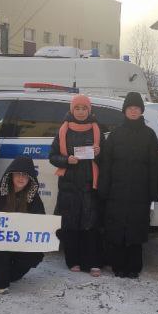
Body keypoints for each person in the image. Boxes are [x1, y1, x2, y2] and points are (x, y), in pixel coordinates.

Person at [98, 92, 158, 278]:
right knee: (117, 228)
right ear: (124, 110)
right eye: (130, 108)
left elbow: (155, 165)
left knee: (137, 228)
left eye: (136, 108)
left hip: (140, 192)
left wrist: (155, 190)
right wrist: (104, 188)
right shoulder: (116, 134)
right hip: (117, 191)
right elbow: (106, 164)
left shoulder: (149, 135)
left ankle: (134, 266)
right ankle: (118, 265)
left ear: (141, 111)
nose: (133, 111)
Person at [50, 94, 105, 277]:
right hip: (69, 185)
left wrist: (99, 152)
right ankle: (72, 260)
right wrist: (66, 160)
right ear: (72, 110)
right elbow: (52, 156)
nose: (81, 112)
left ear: (89, 110)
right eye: (77, 108)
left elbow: (106, 158)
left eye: (84, 108)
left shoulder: (97, 129)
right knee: (70, 224)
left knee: (90, 225)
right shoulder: (63, 130)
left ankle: (91, 262)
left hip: (89, 185)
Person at [0, 155, 46, 294]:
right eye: (18, 174)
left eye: (25, 175)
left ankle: (9, 274)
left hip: (20, 241)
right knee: (1, 251)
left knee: (34, 255)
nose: (21, 178)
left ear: (30, 178)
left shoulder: (33, 197)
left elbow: (41, 221)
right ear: (11, 175)